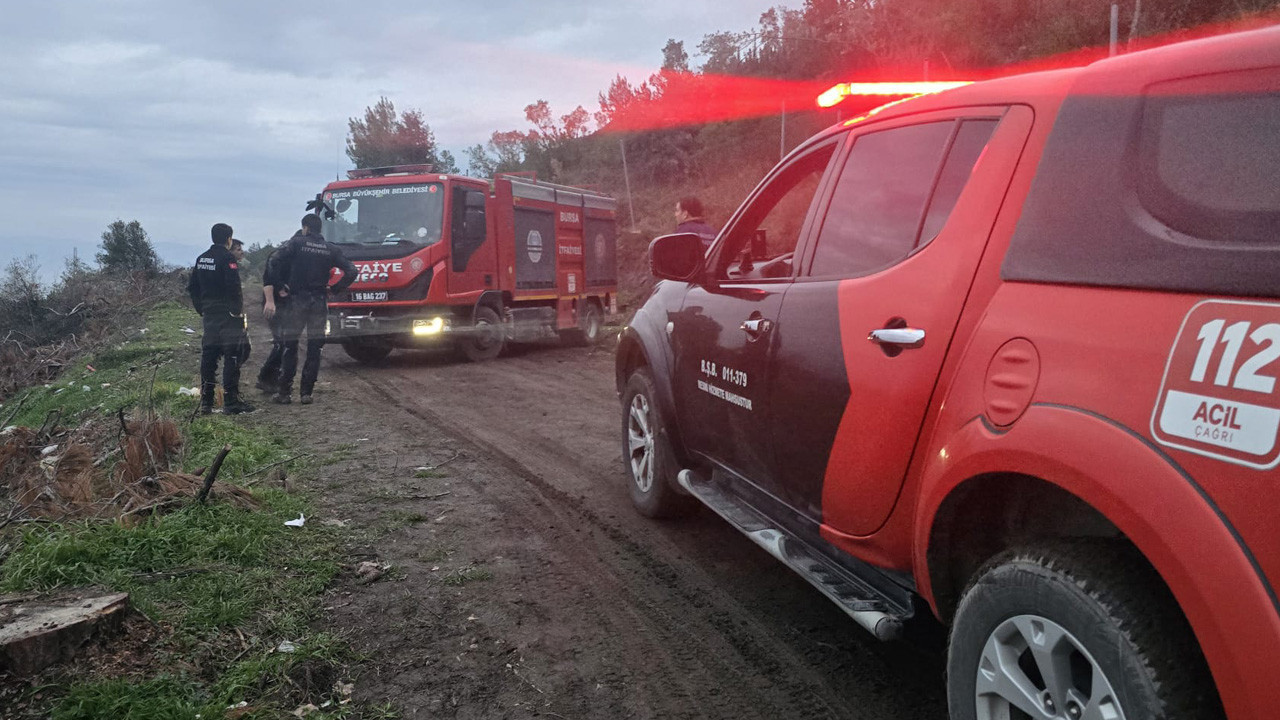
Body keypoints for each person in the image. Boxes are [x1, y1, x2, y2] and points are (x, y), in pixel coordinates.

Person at [270, 213, 358, 405]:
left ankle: (284, 392)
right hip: (319, 301)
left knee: (290, 344)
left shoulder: (296, 243)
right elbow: (352, 270)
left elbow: (274, 260)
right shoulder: (330, 249)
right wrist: (334, 289)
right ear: (320, 229)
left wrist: (280, 285)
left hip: (297, 300)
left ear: (305, 228)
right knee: (315, 348)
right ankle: (306, 393)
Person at [187, 223, 255, 415]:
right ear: (229, 239)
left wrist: (201, 308)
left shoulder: (201, 259)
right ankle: (231, 402)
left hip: (209, 316)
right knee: (231, 358)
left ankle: (206, 402)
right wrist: (237, 312)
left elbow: (193, 287)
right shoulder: (228, 259)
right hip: (228, 317)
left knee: (208, 357)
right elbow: (233, 287)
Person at [255, 245, 287, 393]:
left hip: (287, 306)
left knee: (285, 342)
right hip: (275, 305)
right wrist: (270, 301)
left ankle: (273, 377)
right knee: (281, 342)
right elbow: (267, 280)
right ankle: (265, 377)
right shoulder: (278, 257)